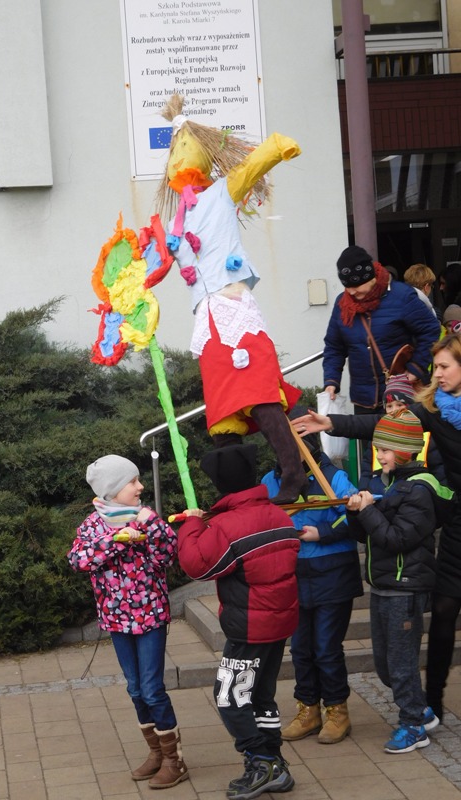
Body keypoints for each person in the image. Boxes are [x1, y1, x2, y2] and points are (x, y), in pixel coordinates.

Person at [293, 332, 461, 723]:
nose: (436, 374)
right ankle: (431, 703)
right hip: (457, 522)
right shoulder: (432, 406)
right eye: (435, 366)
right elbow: (383, 424)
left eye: (444, 367)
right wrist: (330, 422)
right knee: (444, 610)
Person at [155, 93, 307, 504]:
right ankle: (239, 493)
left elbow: (250, 167)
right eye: (174, 154)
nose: (178, 161)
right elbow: (158, 261)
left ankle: (293, 474)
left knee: (259, 395)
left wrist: (275, 147)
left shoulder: (221, 192)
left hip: (235, 309)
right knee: (222, 411)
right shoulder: (175, 221)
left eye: (184, 151)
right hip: (206, 321)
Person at [177, 443, 299, 799]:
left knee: (230, 697)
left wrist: (191, 524)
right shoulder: (278, 514)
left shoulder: (229, 525)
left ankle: (262, 763)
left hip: (249, 627)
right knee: (260, 695)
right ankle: (275, 763)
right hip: (279, 621)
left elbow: (197, 565)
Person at [67, 454, 189, 790]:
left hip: (150, 616)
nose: (140, 487)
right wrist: (115, 540)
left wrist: (150, 525)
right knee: (135, 689)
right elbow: (78, 560)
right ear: (112, 490)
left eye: (138, 480)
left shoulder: (145, 518)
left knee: (152, 689)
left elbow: (167, 555)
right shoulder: (93, 525)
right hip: (116, 620)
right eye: (132, 482)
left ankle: (175, 760)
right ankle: (156, 753)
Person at [345, 410, 453, 753]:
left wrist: (368, 512)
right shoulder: (382, 483)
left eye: (386, 450)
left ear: (406, 451)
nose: (380, 455)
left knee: (401, 664)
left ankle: (413, 726)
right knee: (385, 666)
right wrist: (354, 513)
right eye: (378, 448)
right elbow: (365, 536)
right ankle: (421, 710)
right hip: (381, 584)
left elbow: (397, 539)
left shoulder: (420, 490)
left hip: (405, 588)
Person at [261, 416, 362, 745]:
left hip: (333, 573)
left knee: (326, 648)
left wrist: (322, 532)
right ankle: (308, 710)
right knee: (301, 649)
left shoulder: (333, 477)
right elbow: (263, 520)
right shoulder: (270, 481)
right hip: (292, 575)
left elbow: (355, 517)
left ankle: (337, 710)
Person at [323, 245, 441, 413]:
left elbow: (430, 330)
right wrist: (331, 381)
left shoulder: (402, 296)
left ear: (370, 277)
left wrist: (416, 368)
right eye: (347, 286)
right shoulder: (343, 304)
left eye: (356, 285)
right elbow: (334, 346)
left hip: (401, 395)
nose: (351, 292)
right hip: (364, 400)